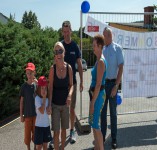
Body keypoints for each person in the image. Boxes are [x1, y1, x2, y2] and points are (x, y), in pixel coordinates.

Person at [101, 27, 124, 149]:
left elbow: (121, 68)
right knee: (103, 113)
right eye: (103, 36)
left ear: (110, 36)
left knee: (113, 113)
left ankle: (114, 138)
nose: (103, 38)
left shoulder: (117, 49)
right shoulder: (102, 49)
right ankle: (102, 137)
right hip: (103, 85)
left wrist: (116, 85)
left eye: (105, 36)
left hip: (113, 84)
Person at [48, 42, 73, 150]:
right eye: (56, 51)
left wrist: (70, 95)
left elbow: (71, 85)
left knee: (64, 130)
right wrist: (49, 105)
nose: (59, 53)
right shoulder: (52, 69)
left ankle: (62, 148)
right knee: (56, 132)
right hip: (55, 105)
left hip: (65, 105)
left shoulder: (69, 68)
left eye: (60, 51)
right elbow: (50, 88)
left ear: (64, 53)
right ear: (55, 54)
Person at [61, 20, 83, 143]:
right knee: (61, 108)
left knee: (72, 109)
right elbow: (55, 63)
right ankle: (60, 133)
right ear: (62, 32)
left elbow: (79, 65)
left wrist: (81, 82)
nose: (66, 33)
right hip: (61, 84)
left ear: (71, 31)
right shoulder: (60, 45)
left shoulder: (75, 46)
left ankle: (72, 131)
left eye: (67, 31)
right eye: (64, 31)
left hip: (72, 83)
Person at [89, 34, 107, 150]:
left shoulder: (101, 61)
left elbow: (99, 84)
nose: (93, 48)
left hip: (98, 96)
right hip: (96, 95)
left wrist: (92, 103)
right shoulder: (98, 60)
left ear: (100, 46)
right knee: (94, 124)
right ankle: (97, 148)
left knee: (96, 125)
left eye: (95, 45)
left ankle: (101, 148)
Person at [19, 62, 37, 150]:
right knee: (27, 134)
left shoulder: (36, 86)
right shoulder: (24, 86)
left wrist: (38, 84)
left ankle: (34, 147)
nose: (29, 75)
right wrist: (21, 115)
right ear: (26, 74)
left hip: (36, 115)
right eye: (28, 73)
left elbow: (43, 95)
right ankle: (28, 148)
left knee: (35, 133)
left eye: (31, 73)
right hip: (27, 115)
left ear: (34, 73)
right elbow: (21, 101)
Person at [34, 76, 52, 150]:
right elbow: (41, 111)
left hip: (46, 125)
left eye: (45, 88)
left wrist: (49, 111)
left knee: (45, 145)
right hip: (39, 126)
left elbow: (48, 112)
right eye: (42, 88)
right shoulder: (37, 99)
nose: (44, 90)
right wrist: (44, 98)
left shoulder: (48, 99)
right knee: (39, 146)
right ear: (38, 89)